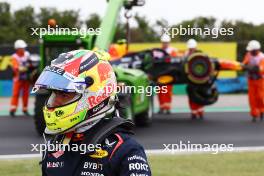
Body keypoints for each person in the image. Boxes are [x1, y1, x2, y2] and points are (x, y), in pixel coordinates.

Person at [32, 50, 151, 176]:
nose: (54, 102)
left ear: (94, 94)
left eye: (64, 94)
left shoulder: (125, 150)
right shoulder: (54, 147)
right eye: (54, 94)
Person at [243, 40, 264, 122]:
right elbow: (244, 63)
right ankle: (254, 114)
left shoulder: (262, 57)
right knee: (252, 98)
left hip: (260, 80)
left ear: (256, 50)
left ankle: (262, 111)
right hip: (251, 80)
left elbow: (261, 68)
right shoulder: (248, 55)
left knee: (260, 97)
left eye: (252, 50)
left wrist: (255, 68)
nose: (251, 52)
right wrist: (245, 66)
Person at [158, 34, 178, 114]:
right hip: (160, 75)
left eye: (166, 42)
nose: (165, 44)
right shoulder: (158, 51)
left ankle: (168, 107)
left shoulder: (172, 51)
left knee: (168, 91)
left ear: (169, 43)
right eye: (163, 42)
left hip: (169, 74)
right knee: (161, 91)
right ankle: (162, 107)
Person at [10, 39, 31, 117]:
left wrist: (28, 67)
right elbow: (16, 68)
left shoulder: (27, 54)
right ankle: (13, 110)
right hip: (18, 78)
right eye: (22, 48)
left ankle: (25, 109)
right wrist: (25, 68)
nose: (23, 49)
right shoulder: (14, 57)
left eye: (24, 47)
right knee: (15, 94)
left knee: (25, 94)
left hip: (26, 78)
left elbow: (30, 63)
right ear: (17, 49)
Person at [185, 39, 205, 119]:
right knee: (191, 94)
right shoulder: (186, 55)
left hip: (200, 79)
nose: (191, 49)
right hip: (190, 79)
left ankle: (200, 111)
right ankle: (193, 112)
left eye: (192, 48)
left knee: (200, 94)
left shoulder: (200, 54)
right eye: (190, 48)